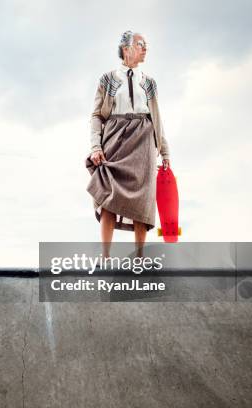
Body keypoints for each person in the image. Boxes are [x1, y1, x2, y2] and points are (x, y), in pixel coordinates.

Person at [85, 30, 170, 258]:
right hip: (114, 141)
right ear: (126, 48)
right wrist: (96, 146)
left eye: (146, 44)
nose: (145, 48)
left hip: (143, 143)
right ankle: (105, 258)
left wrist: (165, 151)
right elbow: (96, 115)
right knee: (109, 198)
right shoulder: (107, 79)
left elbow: (157, 118)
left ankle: (139, 259)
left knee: (143, 203)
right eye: (141, 44)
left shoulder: (150, 83)